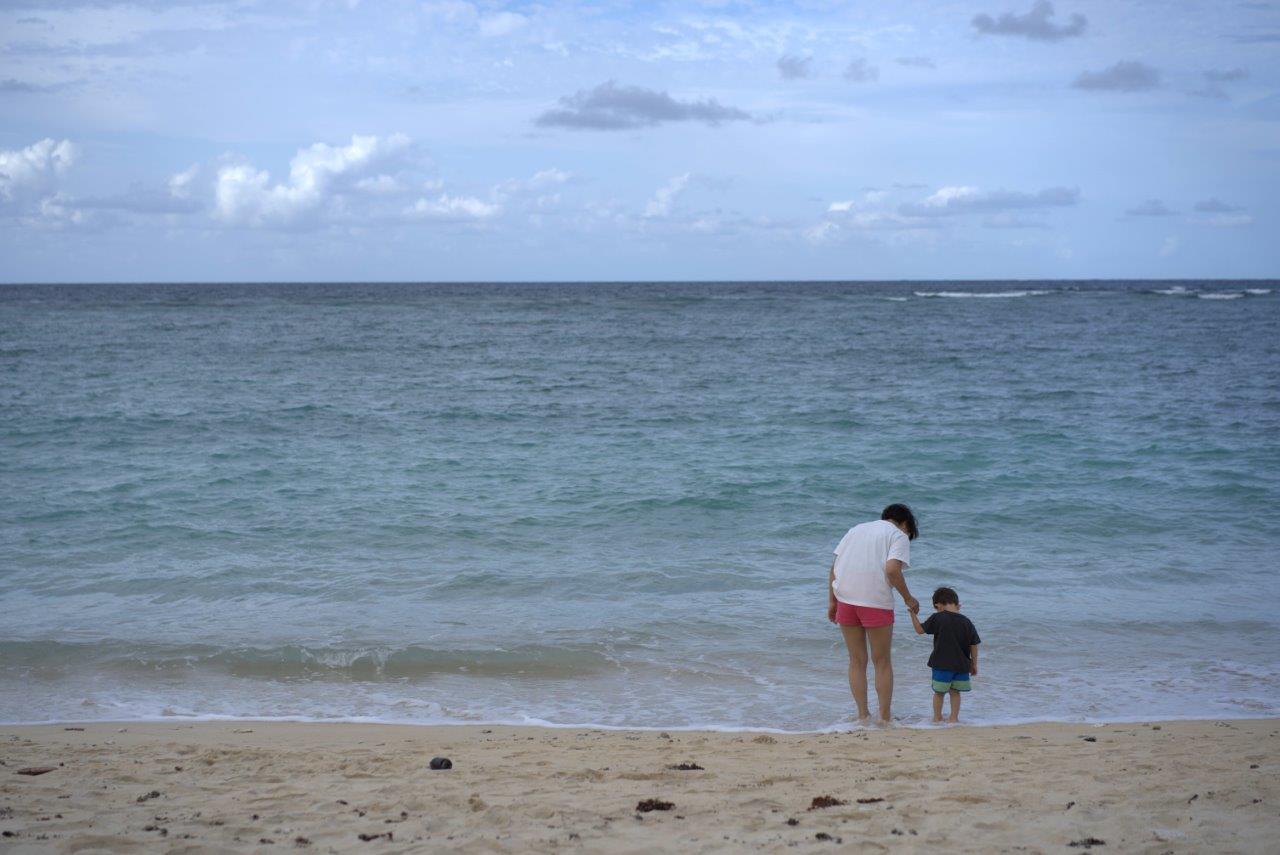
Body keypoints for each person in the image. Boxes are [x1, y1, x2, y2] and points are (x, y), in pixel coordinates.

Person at [826, 503, 921, 723]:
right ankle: (885, 718)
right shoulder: (898, 535)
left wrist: (832, 601)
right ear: (905, 524)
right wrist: (908, 598)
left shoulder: (856, 529)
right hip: (875, 601)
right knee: (882, 662)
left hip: (845, 598)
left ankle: (863, 715)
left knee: (856, 661)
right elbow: (892, 569)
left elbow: (834, 568)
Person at [908, 586, 981, 723]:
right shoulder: (966, 621)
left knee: (939, 693)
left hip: (941, 664)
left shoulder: (938, 617)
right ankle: (954, 718)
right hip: (961, 665)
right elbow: (974, 644)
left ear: (938, 605)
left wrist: (912, 614)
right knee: (955, 693)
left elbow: (919, 630)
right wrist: (974, 663)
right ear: (957, 604)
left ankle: (937, 718)